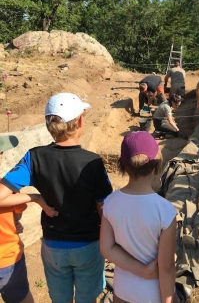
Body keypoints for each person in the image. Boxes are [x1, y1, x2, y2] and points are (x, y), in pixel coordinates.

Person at [0, 92, 114, 303]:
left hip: (53, 246)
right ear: (80, 121)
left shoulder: (33, 157)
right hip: (87, 244)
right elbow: (104, 209)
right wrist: (111, 242)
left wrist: (34, 197)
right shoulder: (93, 163)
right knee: (87, 298)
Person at [100, 131, 179, 303]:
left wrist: (141, 270)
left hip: (122, 292)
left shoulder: (110, 202)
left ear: (122, 165)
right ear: (157, 166)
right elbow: (165, 268)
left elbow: (107, 248)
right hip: (153, 295)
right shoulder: (165, 210)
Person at [0, 135, 57, 303]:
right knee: (20, 298)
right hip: (7, 258)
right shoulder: (9, 193)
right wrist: (34, 197)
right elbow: (17, 214)